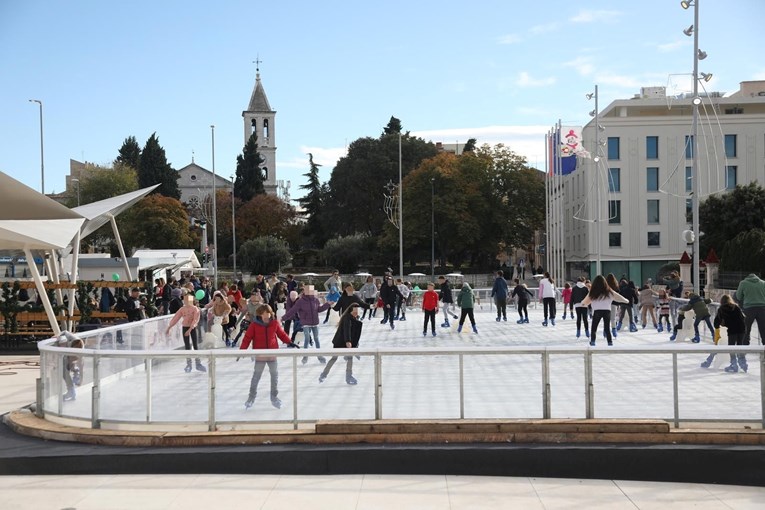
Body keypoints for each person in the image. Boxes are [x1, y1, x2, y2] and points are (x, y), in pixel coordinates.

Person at [239, 304, 297, 409]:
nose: (267, 315)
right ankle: (251, 398)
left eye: (268, 313)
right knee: (256, 377)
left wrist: (289, 342)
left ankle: (274, 398)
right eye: (264, 313)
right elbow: (247, 338)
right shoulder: (254, 325)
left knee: (274, 377)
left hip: (272, 355)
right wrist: (242, 351)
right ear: (260, 314)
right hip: (260, 355)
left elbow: (281, 334)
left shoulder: (274, 323)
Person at [281, 285, 331, 364]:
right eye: (308, 290)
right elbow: (292, 311)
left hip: (315, 323)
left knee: (317, 339)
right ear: (304, 291)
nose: (310, 291)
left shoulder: (315, 300)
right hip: (306, 323)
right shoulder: (300, 301)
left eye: (312, 290)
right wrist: (283, 318)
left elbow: (319, 309)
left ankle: (320, 356)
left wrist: (327, 304)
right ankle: (305, 357)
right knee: (307, 339)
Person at [701, 294, 748, 372]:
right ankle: (743, 363)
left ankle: (734, 364)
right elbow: (743, 317)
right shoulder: (736, 307)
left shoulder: (722, 309)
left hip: (732, 330)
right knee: (740, 346)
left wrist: (721, 326)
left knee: (731, 347)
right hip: (742, 329)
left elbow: (716, 322)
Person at [319, 303, 363, 385]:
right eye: (355, 310)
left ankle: (349, 376)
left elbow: (355, 334)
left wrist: (354, 345)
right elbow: (347, 330)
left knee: (350, 358)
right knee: (334, 358)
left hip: (347, 342)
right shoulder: (347, 318)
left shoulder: (354, 319)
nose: (356, 312)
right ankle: (324, 374)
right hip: (340, 342)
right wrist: (348, 341)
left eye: (358, 311)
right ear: (351, 310)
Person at [580, 274, 629, 346]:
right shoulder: (608, 291)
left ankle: (593, 341)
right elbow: (618, 297)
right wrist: (626, 301)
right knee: (607, 328)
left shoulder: (593, 291)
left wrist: (582, 304)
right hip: (607, 310)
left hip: (597, 311)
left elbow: (587, 300)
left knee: (594, 327)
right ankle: (610, 342)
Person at [165, 293, 205, 373]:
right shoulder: (182, 309)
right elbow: (176, 317)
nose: (186, 301)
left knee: (195, 345)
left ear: (191, 300)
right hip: (185, 327)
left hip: (192, 328)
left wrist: (190, 329)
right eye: (185, 299)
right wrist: (169, 327)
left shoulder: (195, 309)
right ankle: (189, 364)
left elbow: (195, 320)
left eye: (188, 299)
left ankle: (198, 363)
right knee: (187, 346)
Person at [735, 273, 765, 346]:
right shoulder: (763, 283)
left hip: (748, 309)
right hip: (762, 308)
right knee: (763, 329)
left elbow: (738, 297)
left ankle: (745, 347)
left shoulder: (743, 283)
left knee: (746, 329)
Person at [57, 331, 84, 401]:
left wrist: (81, 380)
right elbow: (65, 332)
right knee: (64, 371)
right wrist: (57, 335)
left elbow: (81, 366)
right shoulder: (73, 339)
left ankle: (75, 376)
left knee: (71, 367)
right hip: (67, 354)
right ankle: (71, 390)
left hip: (71, 356)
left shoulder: (80, 353)